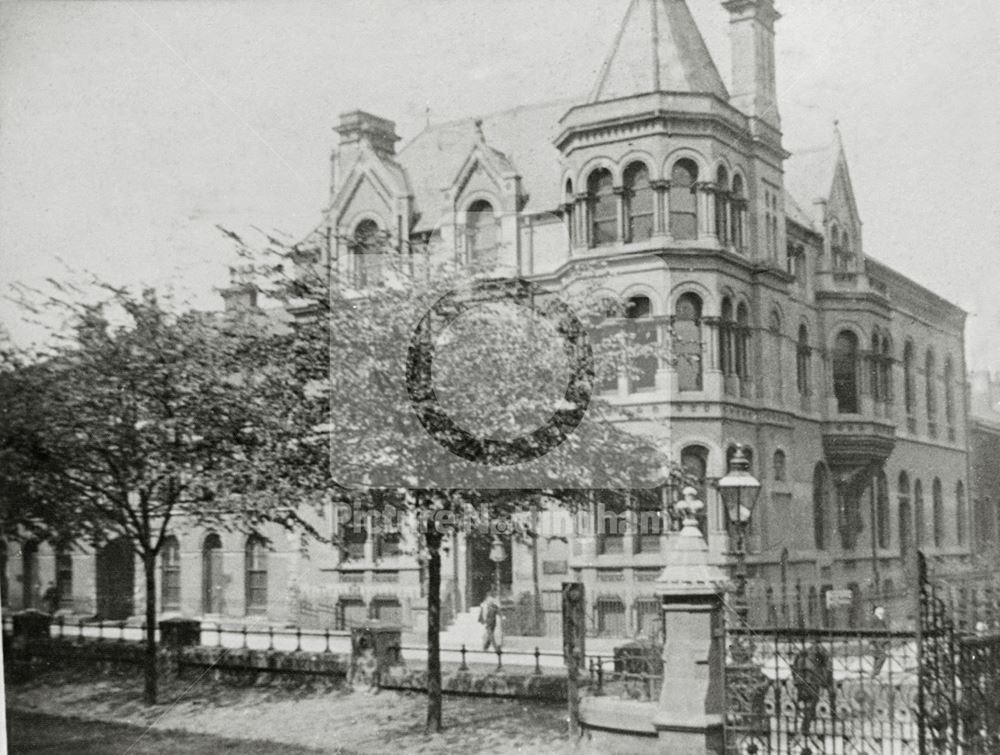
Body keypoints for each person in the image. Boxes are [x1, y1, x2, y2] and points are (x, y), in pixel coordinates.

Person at [791, 641, 834, 737]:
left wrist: (795, 679)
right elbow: (828, 664)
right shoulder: (819, 648)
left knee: (806, 701)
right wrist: (826, 680)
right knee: (811, 701)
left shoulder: (802, 650)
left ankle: (806, 720)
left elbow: (793, 666)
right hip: (811, 679)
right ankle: (806, 726)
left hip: (801, 679)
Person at [870, 604, 890, 677]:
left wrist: (887, 641)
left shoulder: (881, 619)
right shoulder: (873, 619)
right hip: (876, 642)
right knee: (882, 656)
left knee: (877, 658)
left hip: (881, 642)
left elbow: (885, 630)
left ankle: (874, 676)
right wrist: (871, 642)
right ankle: (875, 673)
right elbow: (870, 631)